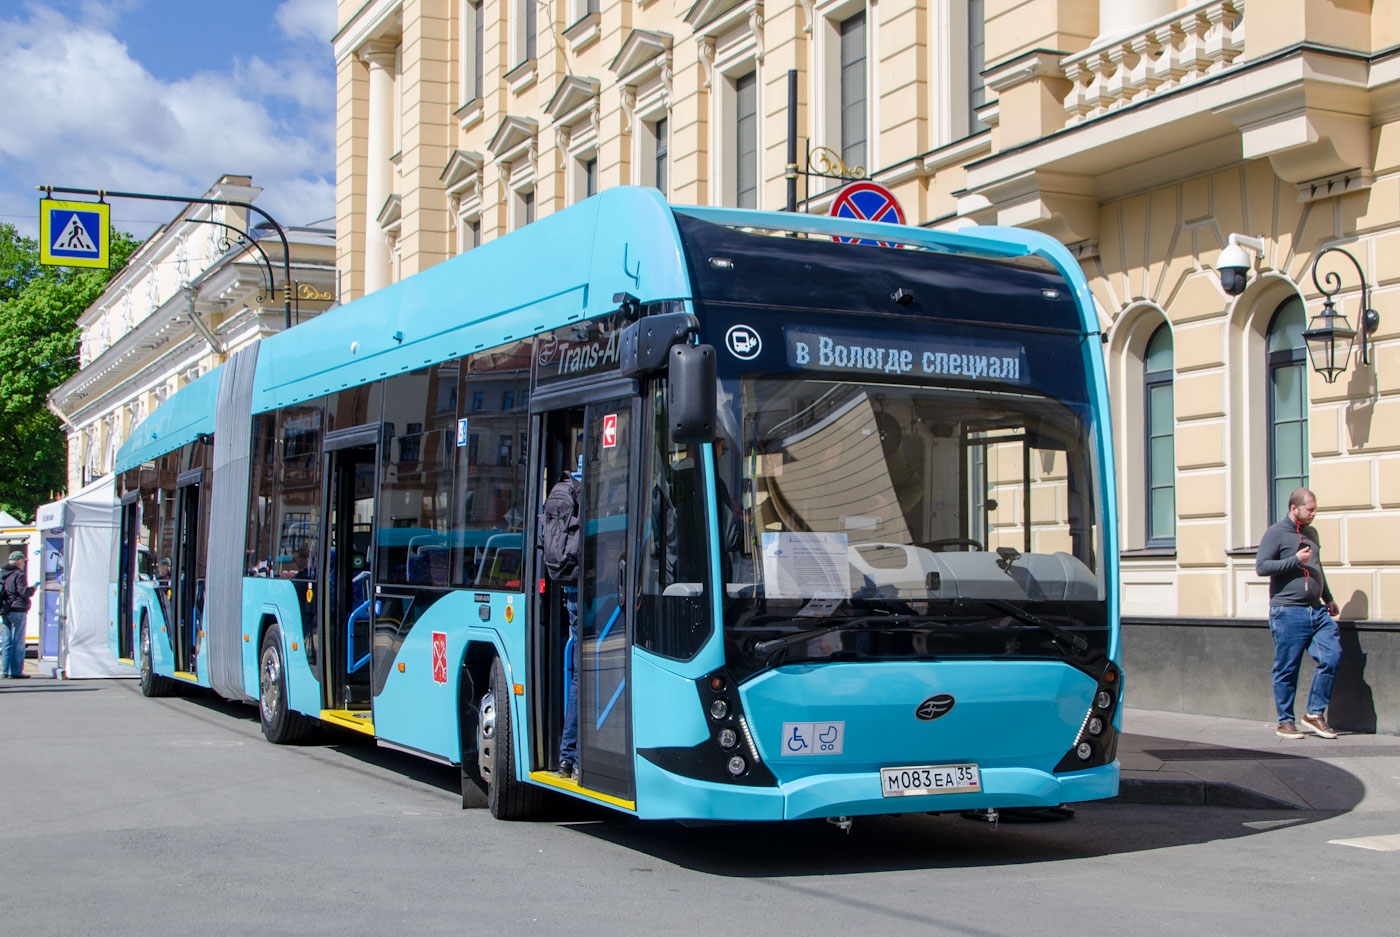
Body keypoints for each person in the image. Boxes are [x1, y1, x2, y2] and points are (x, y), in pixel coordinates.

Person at [1255, 487, 1342, 740]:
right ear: (1294, 509)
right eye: (1310, 510)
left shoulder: (1311, 533)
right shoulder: (1275, 533)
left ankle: (1314, 714)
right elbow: (1262, 567)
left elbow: (1317, 567)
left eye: (1315, 509)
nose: (1314, 514)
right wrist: (1294, 560)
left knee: (1332, 656)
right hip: (1288, 611)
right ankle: (1285, 721)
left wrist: (1329, 598)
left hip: (1317, 610)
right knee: (1287, 668)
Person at [540, 469, 582, 780]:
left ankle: (568, 757)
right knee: (586, 669)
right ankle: (571, 755)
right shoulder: (590, 489)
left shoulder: (562, 488)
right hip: (590, 589)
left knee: (580, 668)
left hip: (568, 585)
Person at [1, 550, 36, 679]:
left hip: (5, 610)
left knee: (6, 641)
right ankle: (16, 671)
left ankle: (5, 671)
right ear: (20, 561)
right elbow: (23, 592)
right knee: (18, 641)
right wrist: (32, 589)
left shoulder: (2, 573)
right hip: (17, 609)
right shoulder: (19, 574)